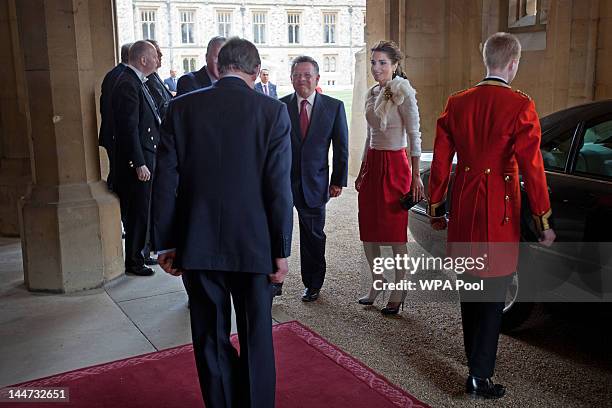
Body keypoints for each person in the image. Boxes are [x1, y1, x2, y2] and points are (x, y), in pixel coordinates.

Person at [152, 37, 293, 408]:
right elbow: (278, 188)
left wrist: (165, 243)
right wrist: (281, 251)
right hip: (255, 245)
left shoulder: (180, 109)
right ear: (256, 71)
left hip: (196, 244)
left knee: (209, 336)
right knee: (256, 336)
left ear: (218, 66)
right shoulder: (272, 112)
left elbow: (166, 181)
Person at [427, 32, 556, 399]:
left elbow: (440, 162)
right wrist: (542, 218)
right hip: (499, 206)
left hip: (466, 203)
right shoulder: (520, 104)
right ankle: (479, 376)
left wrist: (437, 207)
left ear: (486, 59)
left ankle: (475, 364)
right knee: (493, 291)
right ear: (513, 63)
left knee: (471, 288)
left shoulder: (457, 102)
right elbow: (533, 168)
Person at [354, 40, 424, 315]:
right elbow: (371, 136)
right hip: (373, 163)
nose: (377, 67)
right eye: (374, 62)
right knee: (368, 231)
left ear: (395, 65)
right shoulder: (372, 92)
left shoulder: (404, 92)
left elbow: (415, 136)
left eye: (383, 62)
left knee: (395, 235)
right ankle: (377, 283)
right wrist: (362, 170)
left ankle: (400, 288)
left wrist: (416, 175)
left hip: (396, 165)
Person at [280, 56, 349, 302]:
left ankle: (313, 283)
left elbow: (341, 147)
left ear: (317, 78)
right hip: (282, 184)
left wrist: (338, 180)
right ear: (291, 79)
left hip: (316, 183)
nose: (302, 79)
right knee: (278, 231)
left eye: (307, 75)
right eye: (297, 75)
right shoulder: (280, 107)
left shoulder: (334, 106)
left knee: (313, 235)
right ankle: (276, 280)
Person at [112, 40, 161, 277]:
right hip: (139, 160)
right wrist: (139, 162)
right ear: (143, 60)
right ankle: (133, 260)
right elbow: (129, 128)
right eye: (154, 56)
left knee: (143, 209)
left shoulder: (137, 82)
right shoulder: (128, 84)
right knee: (138, 211)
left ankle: (138, 254)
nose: (157, 60)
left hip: (146, 153)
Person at [99, 42, 131, 191]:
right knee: (120, 174)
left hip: (112, 132)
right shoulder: (123, 76)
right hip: (117, 134)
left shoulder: (113, 74)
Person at [145, 40, 173, 120]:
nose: (161, 55)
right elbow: (161, 106)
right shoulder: (148, 78)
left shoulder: (154, 75)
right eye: (157, 52)